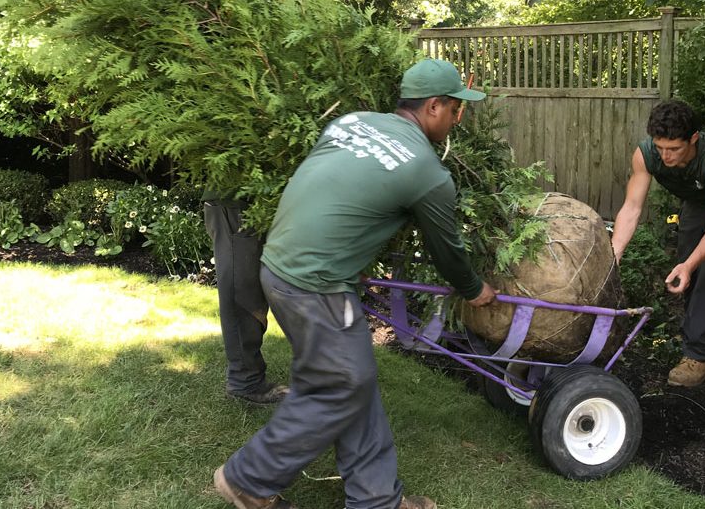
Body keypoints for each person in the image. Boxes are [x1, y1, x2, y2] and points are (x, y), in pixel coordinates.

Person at [212, 58, 497, 509]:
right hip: (314, 285)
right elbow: (448, 252)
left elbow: (339, 189)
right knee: (343, 382)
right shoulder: (428, 173)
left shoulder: (352, 122)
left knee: (352, 379)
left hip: (279, 266)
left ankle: (376, 498)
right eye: (458, 108)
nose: (459, 118)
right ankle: (249, 478)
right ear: (435, 107)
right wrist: (474, 289)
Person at [611, 100, 705, 387]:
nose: (665, 155)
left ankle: (699, 357)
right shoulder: (646, 154)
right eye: (660, 146)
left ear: (693, 139)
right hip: (698, 204)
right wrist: (612, 257)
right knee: (689, 269)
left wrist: (691, 265)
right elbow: (631, 207)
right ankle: (696, 338)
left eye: (674, 149)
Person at [202, 192, 289, 404]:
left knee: (252, 289)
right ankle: (245, 381)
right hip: (236, 203)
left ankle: (247, 374)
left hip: (251, 201)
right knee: (243, 291)